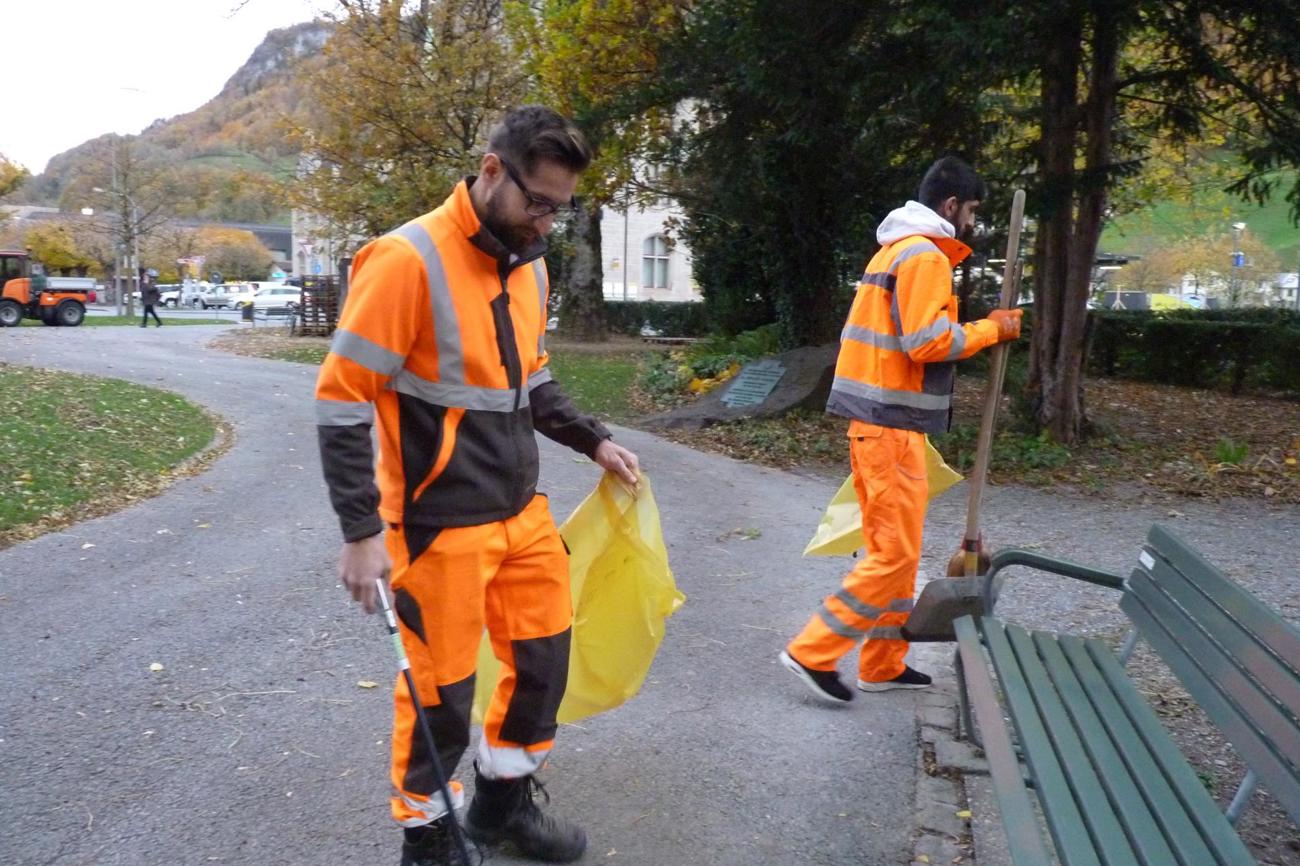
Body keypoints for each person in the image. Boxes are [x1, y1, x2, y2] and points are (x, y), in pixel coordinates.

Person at [315, 105, 640, 866]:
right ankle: (426, 836)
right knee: (441, 697)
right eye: (539, 202)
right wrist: (362, 533)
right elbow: (340, 400)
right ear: (492, 170)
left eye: (562, 208)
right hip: (437, 520)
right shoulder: (405, 261)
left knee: (542, 668)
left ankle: (500, 808)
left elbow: (529, 377)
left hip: (521, 510)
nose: (548, 222)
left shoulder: (529, 261)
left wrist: (593, 439)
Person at [779, 156, 1022, 702]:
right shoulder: (924, 257)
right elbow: (927, 342)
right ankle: (811, 652)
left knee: (899, 553)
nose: (974, 224)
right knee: (890, 555)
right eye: (973, 211)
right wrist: (991, 329)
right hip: (887, 429)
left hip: (888, 426)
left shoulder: (900, 250)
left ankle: (883, 661)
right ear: (951, 206)